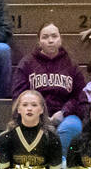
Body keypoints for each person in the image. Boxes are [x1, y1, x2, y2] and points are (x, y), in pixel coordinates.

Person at [11, 22, 86, 155]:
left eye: (54, 36)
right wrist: (39, 114)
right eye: (45, 37)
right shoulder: (27, 63)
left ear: (60, 39)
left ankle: (61, 168)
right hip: (35, 113)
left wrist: (64, 112)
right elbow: (19, 95)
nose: (50, 40)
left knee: (72, 127)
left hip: (64, 115)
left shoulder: (71, 64)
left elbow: (80, 96)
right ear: (39, 41)